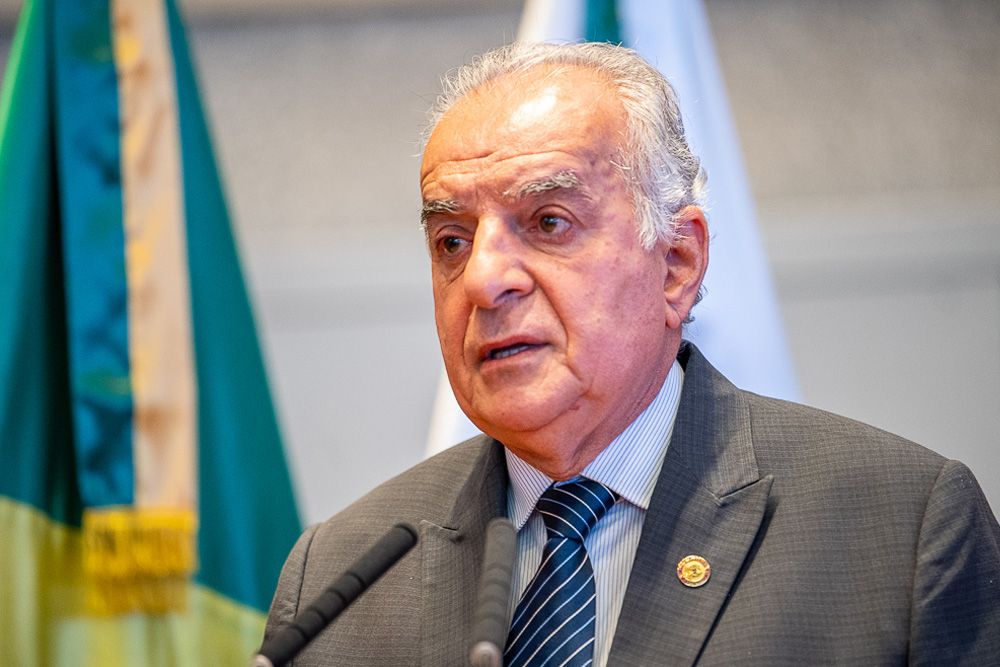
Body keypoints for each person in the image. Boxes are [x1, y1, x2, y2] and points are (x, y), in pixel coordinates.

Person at [264, 42, 1000, 665]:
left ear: (677, 264)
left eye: (548, 222)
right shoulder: (339, 580)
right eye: (452, 241)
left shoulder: (901, 532)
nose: (484, 280)